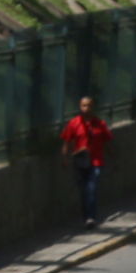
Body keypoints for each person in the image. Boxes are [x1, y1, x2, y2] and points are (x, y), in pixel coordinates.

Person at [58, 94, 110, 226]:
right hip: (80, 162)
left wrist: (112, 157)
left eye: (89, 105)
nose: (86, 108)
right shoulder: (74, 123)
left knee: (91, 188)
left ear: (93, 107)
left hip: (96, 161)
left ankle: (91, 217)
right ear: (80, 107)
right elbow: (66, 141)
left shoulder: (100, 124)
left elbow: (108, 141)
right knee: (83, 190)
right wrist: (65, 158)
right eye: (84, 105)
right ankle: (86, 216)